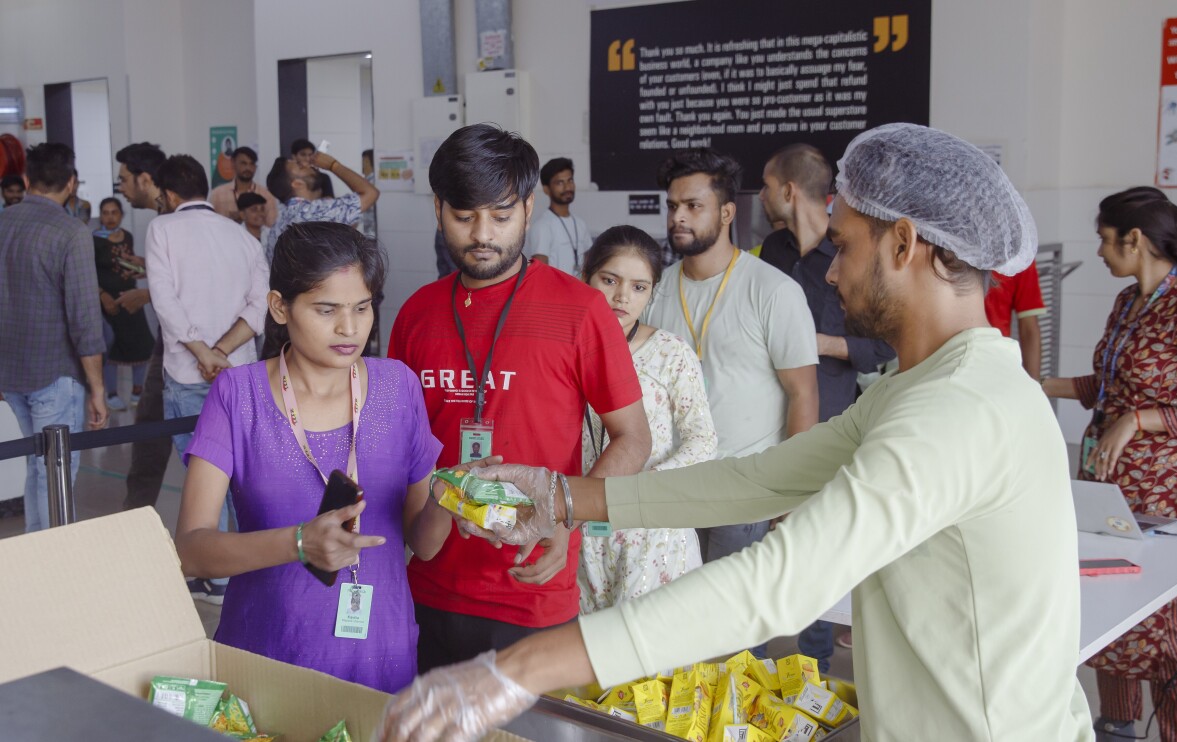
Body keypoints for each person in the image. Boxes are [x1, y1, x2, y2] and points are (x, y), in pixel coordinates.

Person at [379, 123, 1094, 742]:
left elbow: (777, 586)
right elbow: (754, 479)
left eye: (842, 247)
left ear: (903, 244)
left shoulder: (959, 410)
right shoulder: (927, 386)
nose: (834, 273)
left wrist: (513, 670)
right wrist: (564, 498)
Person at [388, 123, 650, 674]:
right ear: (438, 210)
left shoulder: (580, 310)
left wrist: (567, 517)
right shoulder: (415, 315)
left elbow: (633, 437)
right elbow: (401, 450)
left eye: (501, 216)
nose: (483, 234)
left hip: (532, 586)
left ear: (529, 209)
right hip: (428, 584)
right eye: (464, 216)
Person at [174, 222, 446, 693]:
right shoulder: (239, 396)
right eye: (327, 310)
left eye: (363, 308)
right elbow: (191, 551)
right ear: (280, 307)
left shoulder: (398, 387)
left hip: (380, 658)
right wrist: (298, 543)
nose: (350, 328)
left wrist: (452, 499)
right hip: (268, 657)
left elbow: (424, 544)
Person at [1043, 186, 1177, 742]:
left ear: (1135, 240)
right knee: (1109, 605)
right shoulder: (1128, 302)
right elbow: (1106, 387)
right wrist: (1035, 384)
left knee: (1170, 627)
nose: (1100, 252)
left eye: (1106, 241)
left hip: (1164, 489)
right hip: (1105, 479)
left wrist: (1138, 420)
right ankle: (1116, 728)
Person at [645, 149, 817, 655]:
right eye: (673, 205)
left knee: (732, 641)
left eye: (693, 206)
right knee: (671, 632)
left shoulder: (773, 291)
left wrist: (790, 493)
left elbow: (802, 394)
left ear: (725, 213)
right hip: (670, 489)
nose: (678, 216)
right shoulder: (654, 291)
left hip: (743, 490)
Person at [757, 142, 896, 669]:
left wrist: (816, 343)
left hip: (833, 419)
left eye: (768, 185)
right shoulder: (772, 252)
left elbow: (885, 346)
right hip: (767, 417)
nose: (765, 195)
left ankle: (813, 668)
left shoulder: (853, 260)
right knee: (761, 542)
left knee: (820, 548)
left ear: (789, 191)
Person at [146, 154, 269, 604]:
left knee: (203, 479)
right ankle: (240, 570)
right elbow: (259, 307)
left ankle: (215, 574)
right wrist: (221, 353)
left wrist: (201, 352)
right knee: (243, 473)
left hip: (187, 372)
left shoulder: (161, 229)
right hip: (240, 372)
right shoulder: (240, 236)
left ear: (170, 194)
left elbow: (165, 301)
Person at [578, 225, 717, 613]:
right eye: (610, 280)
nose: (623, 296)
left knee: (648, 662)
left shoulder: (671, 354)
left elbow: (702, 441)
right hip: (581, 528)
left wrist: (642, 492)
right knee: (584, 659)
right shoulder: (564, 351)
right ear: (585, 275)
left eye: (639, 287)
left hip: (652, 532)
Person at [0, 143, 108, 532]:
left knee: (36, 465)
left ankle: (35, 554)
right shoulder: (71, 232)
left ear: (27, 180)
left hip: (10, 372)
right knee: (56, 472)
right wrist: (97, 387)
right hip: (55, 374)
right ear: (72, 183)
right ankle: (53, 566)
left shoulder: (3, 222)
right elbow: (84, 318)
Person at [115, 141, 174, 513]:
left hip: (181, 348)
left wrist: (145, 295)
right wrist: (140, 267)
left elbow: (190, 283)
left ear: (145, 178)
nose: (120, 187)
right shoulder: (164, 220)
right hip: (170, 344)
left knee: (151, 439)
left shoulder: (168, 221)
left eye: (123, 179)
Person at [265, 151, 379, 263]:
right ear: (297, 184)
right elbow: (370, 193)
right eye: (300, 166)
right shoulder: (314, 211)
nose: (306, 164)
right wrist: (333, 165)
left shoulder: (276, 227)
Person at [93, 196, 152, 411]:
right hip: (108, 303)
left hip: (131, 299)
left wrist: (142, 268)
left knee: (142, 343)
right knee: (111, 346)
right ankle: (111, 394)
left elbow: (125, 264)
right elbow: (91, 272)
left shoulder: (127, 236)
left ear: (121, 215)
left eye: (114, 212)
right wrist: (102, 296)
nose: (110, 217)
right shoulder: (93, 239)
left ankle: (137, 392)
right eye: (105, 213)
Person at [527, 157, 591, 275]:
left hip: (579, 291)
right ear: (546, 189)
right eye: (560, 183)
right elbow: (541, 274)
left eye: (570, 180)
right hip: (555, 293)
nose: (567, 187)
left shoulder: (580, 224)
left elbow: (590, 265)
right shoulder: (542, 226)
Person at [985, 261, 1046, 378]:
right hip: (948, 359)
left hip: (997, 361)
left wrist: (1033, 385)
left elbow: (1029, 329)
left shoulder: (1017, 255)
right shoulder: (945, 249)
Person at [208, 146, 278, 227]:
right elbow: (210, 225)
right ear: (233, 163)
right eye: (243, 163)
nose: (248, 168)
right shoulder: (217, 195)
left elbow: (272, 227)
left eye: (251, 164)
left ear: (255, 167)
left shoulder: (266, 195)